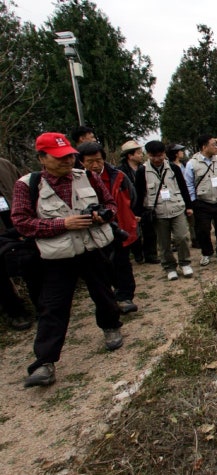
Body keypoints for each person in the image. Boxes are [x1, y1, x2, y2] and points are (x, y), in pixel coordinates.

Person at [12, 132, 123, 388]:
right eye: (59, 158)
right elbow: (22, 223)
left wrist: (103, 216)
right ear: (42, 158)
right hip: (57, 256)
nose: (67, 162)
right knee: (53, 306)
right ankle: (44, 362)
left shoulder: (88, 176)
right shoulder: (27, 185)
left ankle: (111, 326)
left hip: (92, 247)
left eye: (70, 157)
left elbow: (110, 203)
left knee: (104, 293)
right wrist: (63, 224)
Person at [77, 142, 139, 314]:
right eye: (90, 161)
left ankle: (125, 297)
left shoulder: (117, 175)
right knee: (104, 266)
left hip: (119, 226)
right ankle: (111, 297)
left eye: (98, 160)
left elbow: (132, 197)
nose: (95, 165)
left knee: (122, 262)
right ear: (81, 162)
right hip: (93, 232)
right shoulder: (78, 181)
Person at [135, 141, 194, 281]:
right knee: (164, 242)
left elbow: (183, 187)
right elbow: (139, 193)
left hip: (177, 207)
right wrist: (137, 213)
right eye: (153, 156)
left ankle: (185, 262)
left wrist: (189, 206)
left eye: (160, 155)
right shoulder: (142, 171)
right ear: (148, 155)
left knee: (182, 237)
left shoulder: (173, 168)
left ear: (164, 154)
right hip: (158, 211)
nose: (157, 159)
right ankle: (169, 267)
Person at [185, 135, 217, 266]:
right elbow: (189, 184)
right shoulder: (192, 164)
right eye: (213, 145)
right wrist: (193, 201)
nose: (216, 147)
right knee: (203, 230)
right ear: (204, 146)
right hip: (202, 202)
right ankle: (206, 253)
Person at [0, 157, 34, 330]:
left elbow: (24, 189)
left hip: (18, 226)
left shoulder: (4, 164)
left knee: (30, 263)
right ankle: (15, 312)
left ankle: (42, 305)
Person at [119, 140, 158, 264]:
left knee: (150, 230)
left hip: (144, 203)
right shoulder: (120, 172)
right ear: (130, 155)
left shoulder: (144, 168)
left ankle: (150, 255)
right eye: (138, 153)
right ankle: (137, 254)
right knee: (133, 230)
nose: (141, 155)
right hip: (128, 205)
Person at [167, 143, 197, 245]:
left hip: (187, 194)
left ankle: (195, 239)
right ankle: (176, 241)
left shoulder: (185, 164)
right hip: (175, 196)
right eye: (180, 151)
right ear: (175, 153)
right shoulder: (169, 167)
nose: (182, 152)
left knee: (192, 218)